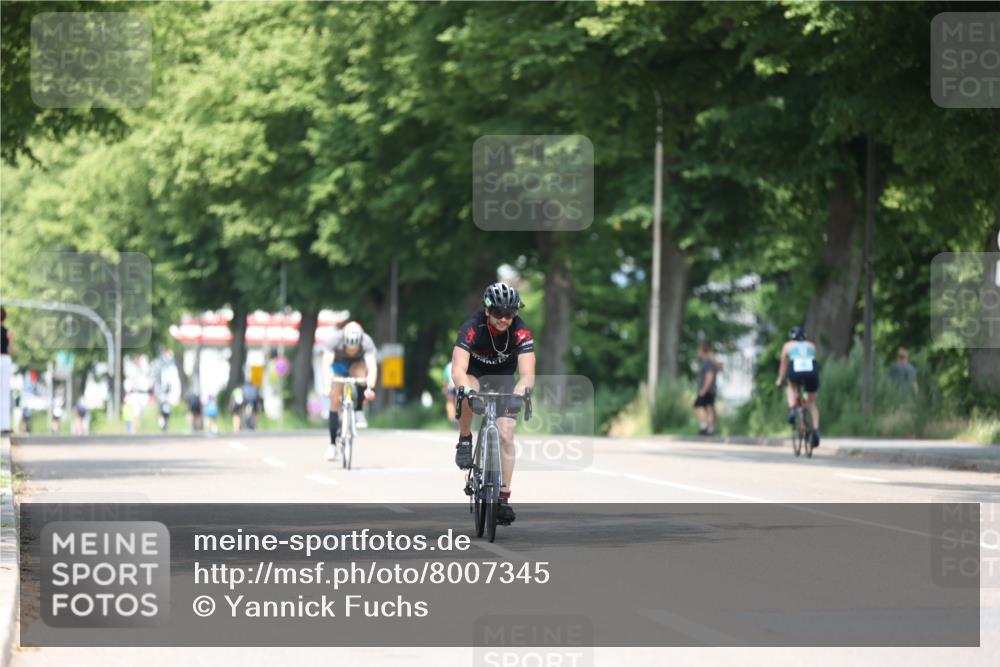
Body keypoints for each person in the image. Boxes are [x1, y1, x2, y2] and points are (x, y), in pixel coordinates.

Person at [451, 282, 535, 526]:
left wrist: (520, 392)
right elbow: (458, 368)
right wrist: (465, 389)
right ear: (487, 310)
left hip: (504, 379)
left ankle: (503, 499)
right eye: (498, 312)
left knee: (507, 434)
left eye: (509, 313)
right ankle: (465, 439)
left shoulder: (521, 331)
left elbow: (528, 374)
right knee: (468, 393)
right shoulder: (472, 327)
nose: (503, 319)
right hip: (475, 374)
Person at [322, 321, 377, 461]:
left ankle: (358, 409)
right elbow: (326, 364)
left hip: (356, 366)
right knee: (334, 400)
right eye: (349, 348)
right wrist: (327, 386)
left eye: (355, 348)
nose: (352, 351)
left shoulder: (367, 342)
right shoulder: (335, 340)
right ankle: (332, 445)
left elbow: (372, 367)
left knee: (361, 376)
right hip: (338, 367)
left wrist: (370, 387)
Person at [776, 325, 821, 448]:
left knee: (791, 386)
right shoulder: (811, 345)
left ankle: (792, 409)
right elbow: (814, 360)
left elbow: (783, 365)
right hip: (812, 371)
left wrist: (780, 379)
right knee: (812, 402)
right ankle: (816, 431)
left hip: (795, 369)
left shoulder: (788, 346)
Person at [693, 341, 718, 436]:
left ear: (703, 351)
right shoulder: (711, 361)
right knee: (709, 407)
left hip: (707, 389)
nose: (698, 351)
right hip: (709, 389)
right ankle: (709, 428)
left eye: (699, 349)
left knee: (698, 407)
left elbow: (710, 376)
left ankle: (705, 427)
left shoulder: (708, 362)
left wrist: (704, 389)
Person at [0, 306, 12, 434]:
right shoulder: (8, 331)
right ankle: (4, 425)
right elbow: (10, 350)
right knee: (4, 393)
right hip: (5, 360)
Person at [442, 360, 457, 426]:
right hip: (459, 386)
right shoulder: (462, 364)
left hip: (451, 386)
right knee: (458, 401)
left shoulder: (448, 366)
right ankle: (456, 417)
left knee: (450, 402)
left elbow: (446, 379)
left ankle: (452, 417)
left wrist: (445, 388)